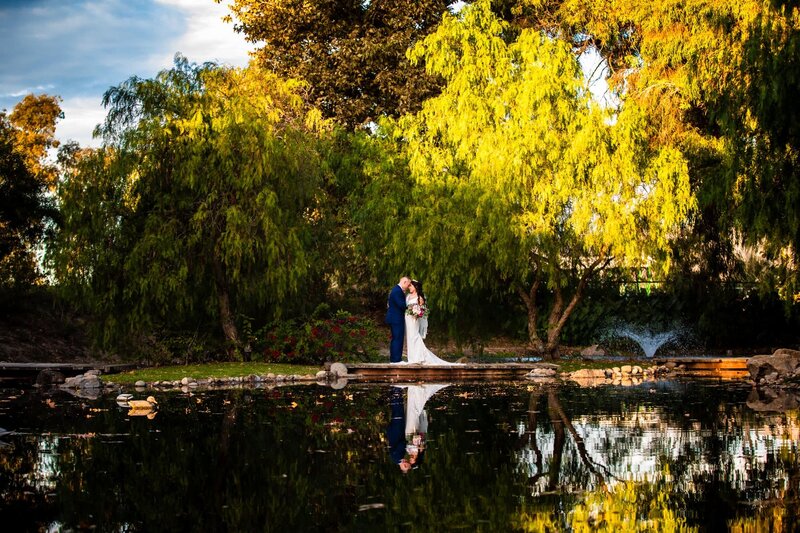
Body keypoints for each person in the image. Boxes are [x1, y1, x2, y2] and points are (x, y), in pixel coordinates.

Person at [405, 280, 462, 365]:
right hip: (407, 319)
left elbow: (422, 309)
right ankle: (412, 358)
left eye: (410, 286)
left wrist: (417, 313)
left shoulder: (420, 297)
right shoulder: (408, 296)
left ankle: (419, 357)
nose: (409, 287)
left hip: (414, 320)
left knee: (415, 336)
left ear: (415, 287)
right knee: (409, 337)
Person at [385, 276, 411, 363]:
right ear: (404, 282)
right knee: (397, 338)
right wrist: (412, 307)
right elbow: (401, 305)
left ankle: (395, 359)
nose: (408, 287)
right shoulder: (397, 291)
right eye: (408, 284)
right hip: (396, 318)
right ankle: (396, 360)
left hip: (396, 318)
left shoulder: (396, 290)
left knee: (397, 338)